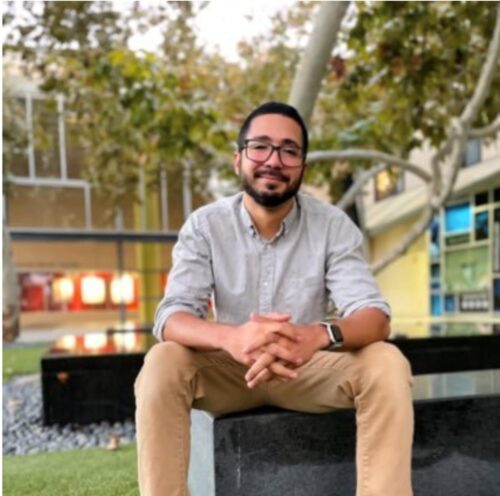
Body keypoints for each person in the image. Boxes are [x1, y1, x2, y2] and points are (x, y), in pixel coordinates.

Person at [135, 101, 414, 496]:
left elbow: (375, 318)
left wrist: (317, 336)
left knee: (386, 361)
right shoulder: (205, 225)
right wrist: (230, 338)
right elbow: (170, 318)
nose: (274, 160)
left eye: (289, 150)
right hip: (231, 372)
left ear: (302, 166)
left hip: (307, 371)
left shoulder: (332, 226)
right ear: (239, 159)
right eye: (260, 146)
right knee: (162, 360)